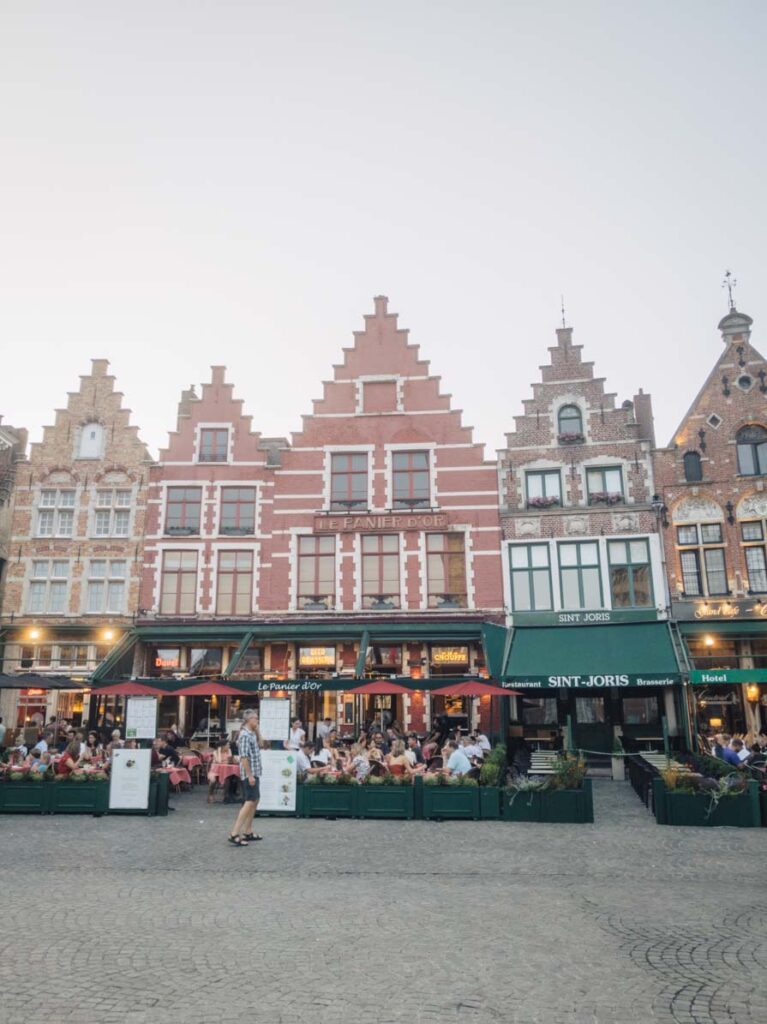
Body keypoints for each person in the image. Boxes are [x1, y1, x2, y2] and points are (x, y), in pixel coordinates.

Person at [228, 709, 263, 847]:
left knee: (255, 800)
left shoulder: (252, 734)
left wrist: (257, 730)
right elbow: (243, 757)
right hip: (250, 773)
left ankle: (248, 831)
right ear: (249, 720)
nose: (257, 720)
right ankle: (234, 833)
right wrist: (249, 776)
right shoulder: (244, 736)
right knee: (249, 801)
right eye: (255, 718)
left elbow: (261, 744)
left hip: (255, 772)